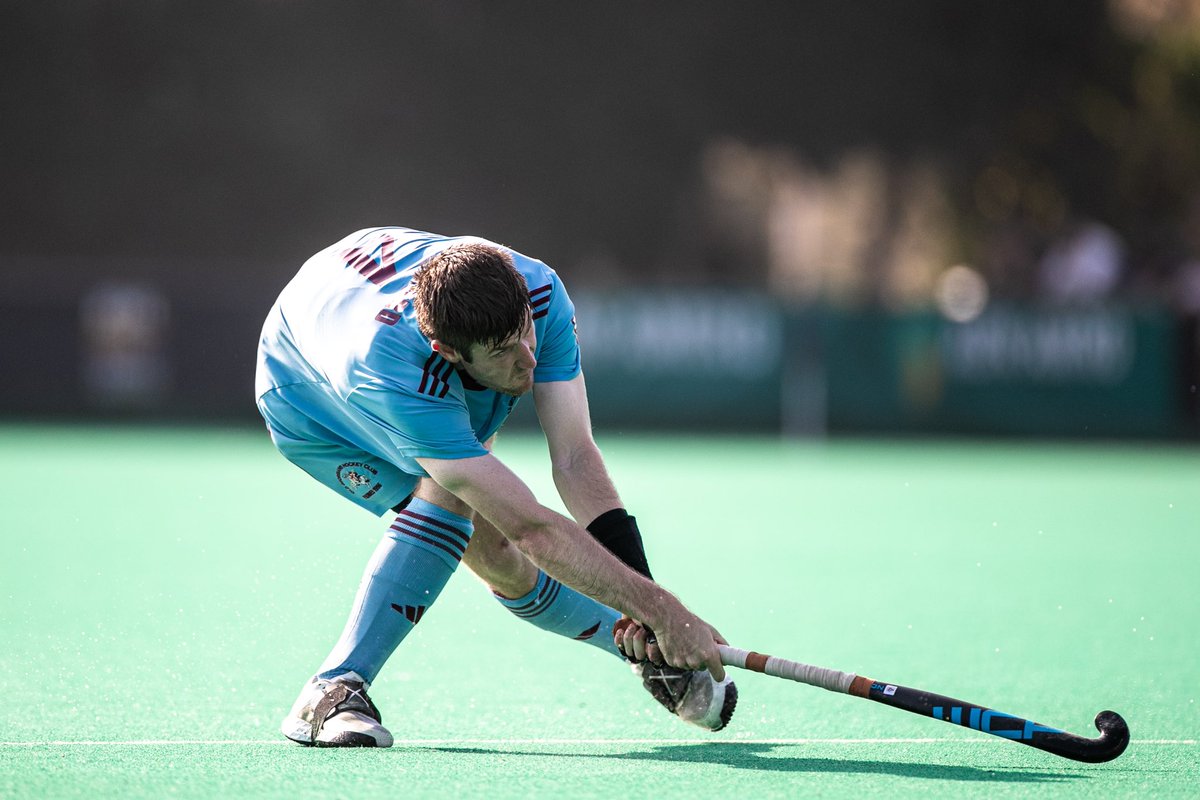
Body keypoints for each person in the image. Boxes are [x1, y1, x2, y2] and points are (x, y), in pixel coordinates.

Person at [255, 226, 737, 747]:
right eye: (506, 351)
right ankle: (333, 687)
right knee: (458, 495)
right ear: (449, 350)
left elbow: (574, 458)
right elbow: (533, 527)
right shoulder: (392, 376)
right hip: (307, 394)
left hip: (357, 283)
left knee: (499, 555)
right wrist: (662, 612)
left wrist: (644, 611)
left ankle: (640, 655)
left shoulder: (538, 290)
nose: (529, 359)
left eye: (526, 333)